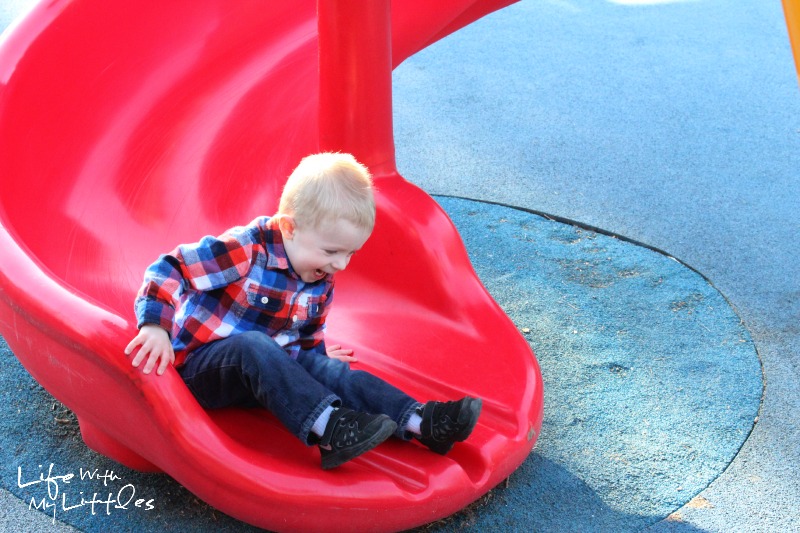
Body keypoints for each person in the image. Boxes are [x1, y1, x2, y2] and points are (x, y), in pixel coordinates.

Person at [124, 152, 481, 469]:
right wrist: (155, 326)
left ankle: (421, 422)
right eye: (332, 252)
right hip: (200, 372)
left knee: (334, 371)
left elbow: (307, 335)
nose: (341, 264)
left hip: (266, 374)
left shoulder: (319, 272)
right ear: (289, 227)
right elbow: (171, 268)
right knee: (254, 345)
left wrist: (319, 359)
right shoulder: (247, 248)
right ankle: (330, 429)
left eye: (350, 254)